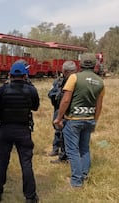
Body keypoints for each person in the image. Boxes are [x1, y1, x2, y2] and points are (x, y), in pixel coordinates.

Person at [0, 63, 40, 202]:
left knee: (2, 162)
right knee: (26, 164)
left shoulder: (2, 89)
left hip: (5, 130)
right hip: (23, 131)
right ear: (25, 76)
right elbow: (35, 107)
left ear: (10, 75)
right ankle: (30, 197)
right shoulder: (31, 90)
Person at [53, 53, 105, 188]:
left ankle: (76, 182)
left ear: (80, 64)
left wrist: (59, 118)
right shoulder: (100, 82)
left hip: (73, 120)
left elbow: (65, 100)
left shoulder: (74, 78)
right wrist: (95, 120)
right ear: (95, 65)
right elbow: (99, 105)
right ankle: (84, 175)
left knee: (73, 151)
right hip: (89, 119)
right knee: (84, 149)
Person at [47, 61, 77, 163]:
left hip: (70, 111)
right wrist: (56, 96)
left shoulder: (77, 82)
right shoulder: (58, 81)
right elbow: (50, 93)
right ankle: (56, 149)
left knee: (66, 133)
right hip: (58, 109)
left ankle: (64, 156)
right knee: (58, 130)